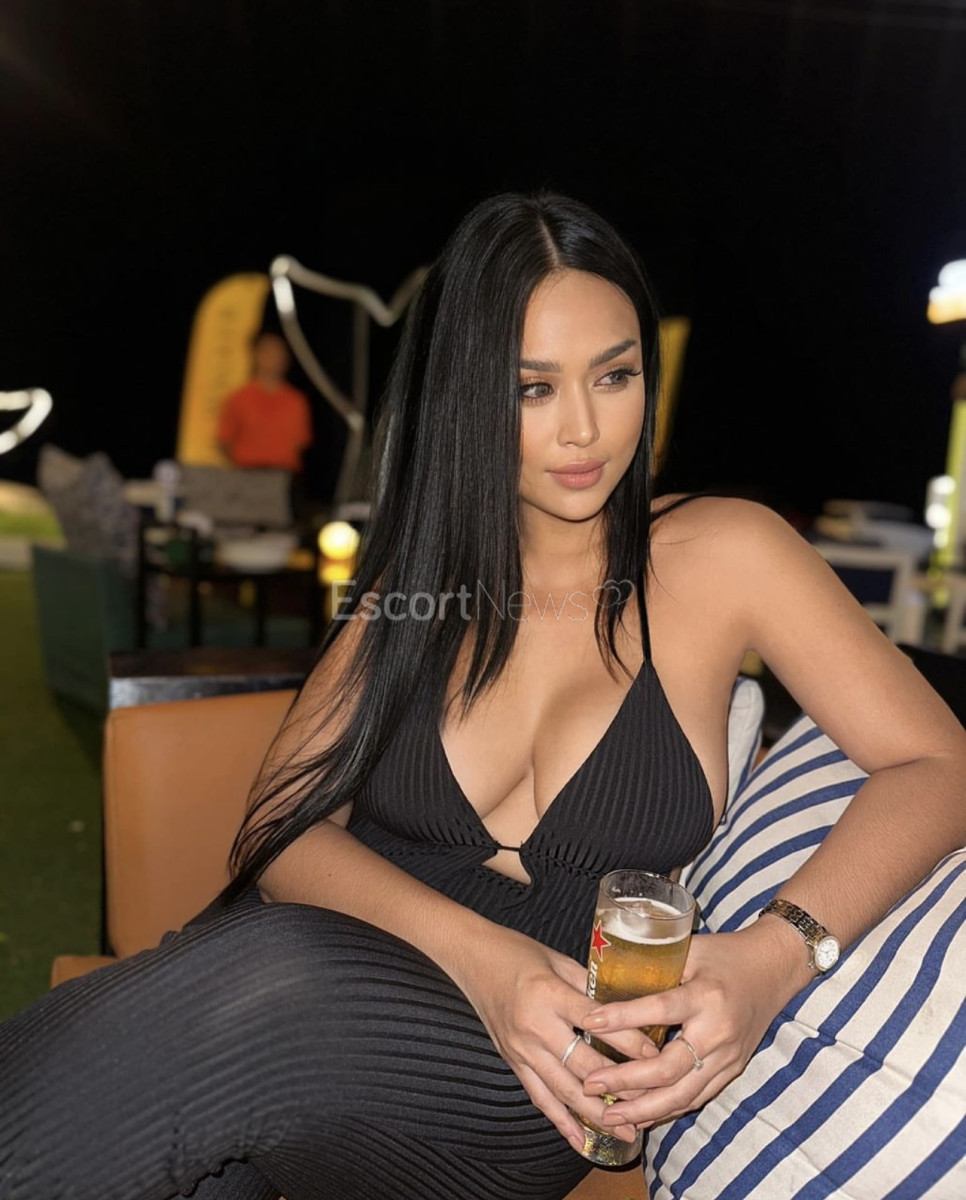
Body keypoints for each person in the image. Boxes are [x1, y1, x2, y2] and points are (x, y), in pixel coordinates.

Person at [2, 192, 965, 1200]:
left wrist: (774, 957)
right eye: (532, 388)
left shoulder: (726, 554)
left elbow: (939, 764)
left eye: (615, 375)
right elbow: (281, 830)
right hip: (298, 1007)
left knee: (263, 990)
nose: (585, 428)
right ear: (467, 394)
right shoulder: (417, 583)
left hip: (521, 1079)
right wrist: (485, 964)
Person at [217, 330, 313, 475]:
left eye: (279, 352)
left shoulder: (296, 401)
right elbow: (224, 441)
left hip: (284, 475)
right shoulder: (239, 398)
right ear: (255, 354)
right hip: (247, 473)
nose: (274, 357)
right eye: (268, 351)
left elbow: (301, 443)